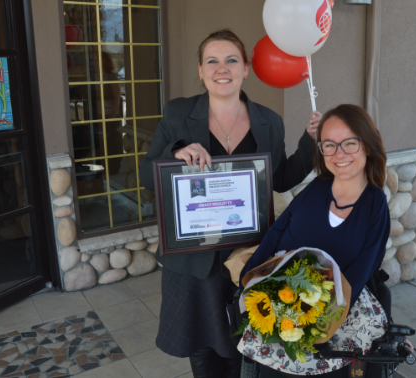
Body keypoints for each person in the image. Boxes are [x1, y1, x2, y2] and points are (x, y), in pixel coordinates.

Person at [138, 29, 321, 378]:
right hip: (194, 258)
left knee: (243, 342)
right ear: (201, 69)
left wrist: (310, 141)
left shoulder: (269, 121)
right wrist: (176, 154)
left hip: (248, 253)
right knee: (203, 346)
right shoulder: (178, 114)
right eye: (213, 61)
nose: (222, 68)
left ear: (246, 68)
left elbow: (280, 178)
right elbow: (147, 174)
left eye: (231, 60)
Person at [239, 104, 391, 377]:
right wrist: (248, 276)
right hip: (279, 308)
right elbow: (276, 232)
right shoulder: (316, 187)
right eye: (329, 145)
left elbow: (361, 271)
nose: (338, 154)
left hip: (331, 320)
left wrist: (319, 324)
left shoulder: (375, 204)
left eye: (349, 143)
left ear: (367, 145)